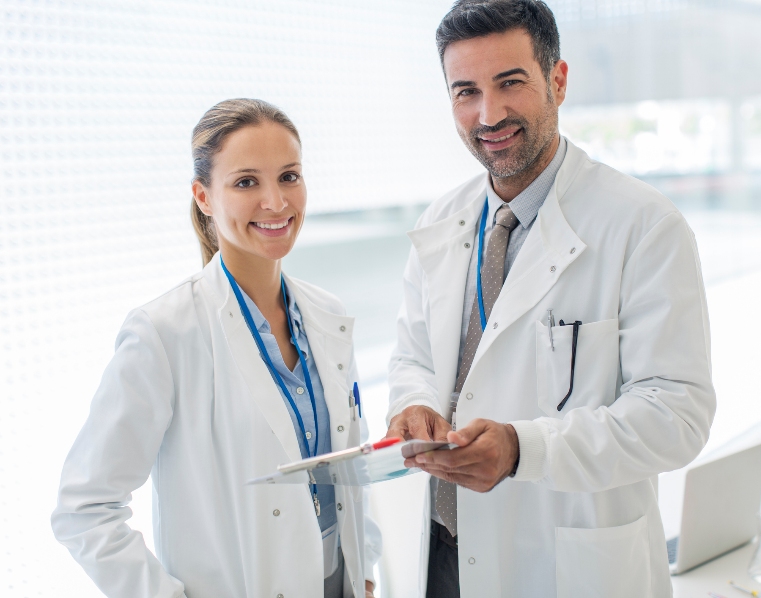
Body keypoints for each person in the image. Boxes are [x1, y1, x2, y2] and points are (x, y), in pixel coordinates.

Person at [385, 1, 716, 596]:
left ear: (557, 81)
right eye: (466, 91)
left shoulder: (643, 226)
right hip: (438, 556)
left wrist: (522, 450)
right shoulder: (442, 221)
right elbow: (412, 357)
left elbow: (677, 416)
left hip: (561, 565)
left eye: (510, 83)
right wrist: (411, 404)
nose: (489, 114)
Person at [51, 99, 380, 598]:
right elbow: (84, 508)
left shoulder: (326, 315)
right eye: (246, 182)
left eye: (289, 176)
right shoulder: (163, 333)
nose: (276, 201)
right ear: (203, 197)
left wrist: (368, 568)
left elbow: (350, 464)